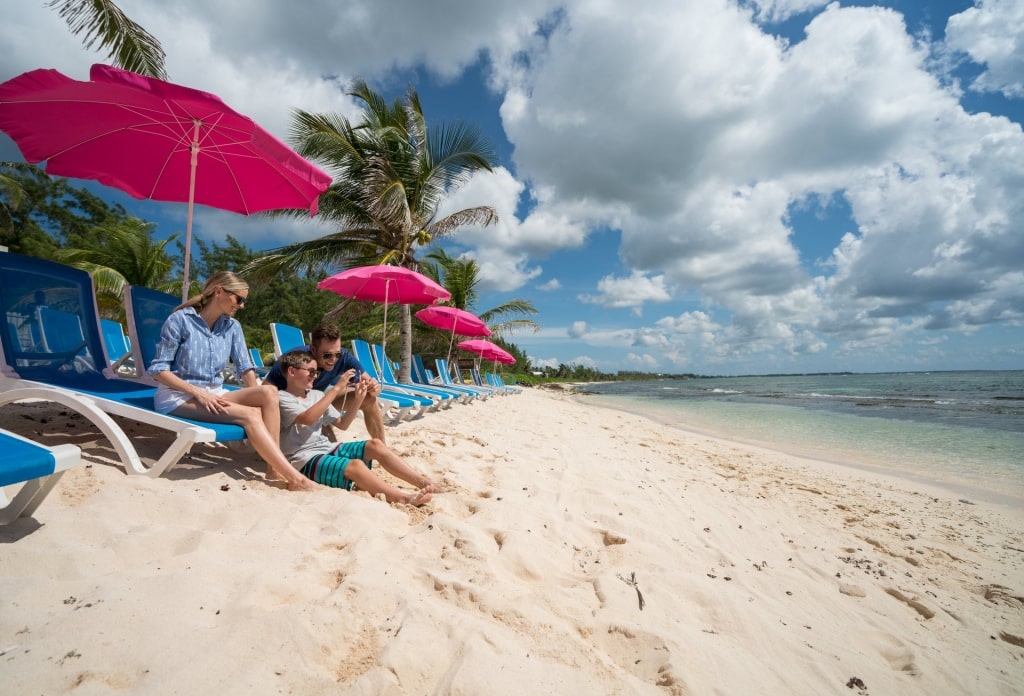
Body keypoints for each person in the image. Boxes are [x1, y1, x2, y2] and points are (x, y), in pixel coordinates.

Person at [147, 271, 317, 492]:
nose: (242, 305)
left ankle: (273, 468)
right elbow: (159, 370)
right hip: (178, 396)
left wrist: (258, 398)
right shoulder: (180, 320)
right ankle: (296, 479)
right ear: (219, 291)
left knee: (269, 393)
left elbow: (245, 367)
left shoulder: (232, 327)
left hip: (215, 393)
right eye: (240, 299)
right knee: (250, 415)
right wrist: (198, 393)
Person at [277, 349, 436, 505]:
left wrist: (358, 399)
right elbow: (308, 418)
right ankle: (404, 498)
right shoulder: (282, 397)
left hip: (325, 447)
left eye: (316, 372)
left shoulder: (316, 395)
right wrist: (337, 389)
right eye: (311, 372)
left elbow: (343, 424)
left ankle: (424, 482)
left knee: (376, 445)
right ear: (291, 371)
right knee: (356, 465)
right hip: (303, 459)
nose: (315, 376)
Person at [264, 323, 388, 443]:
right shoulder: (294, 362)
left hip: (321, 401)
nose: (333, 360)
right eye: (327, 355)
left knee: (369, 399)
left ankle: (382, 448)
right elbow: (265, 391)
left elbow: (373, 389)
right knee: (327, 446)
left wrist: (373, 387)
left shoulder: (344, 358)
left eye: (337, 354)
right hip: (294, 409)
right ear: (313, 349)